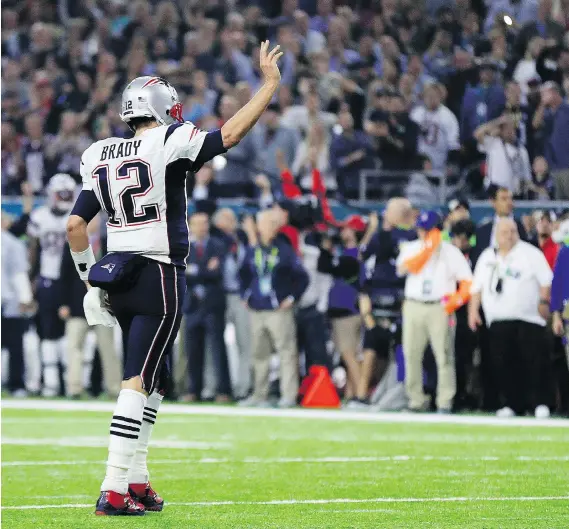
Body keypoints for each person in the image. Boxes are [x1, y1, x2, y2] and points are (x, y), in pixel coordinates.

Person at [66, 41, 285, 516]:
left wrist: (88, 282)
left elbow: (75, 225)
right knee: (139, 378)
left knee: (157, 379)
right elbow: (229, 135)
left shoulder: (98, 152)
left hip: (116, 275)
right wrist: (268, 85)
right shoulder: (171, 140)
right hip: (157, 274)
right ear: (165, 108)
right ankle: (114, 487)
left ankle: (138, 479)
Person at [469, 218, 553, 418]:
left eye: (513, 231)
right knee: (503, 364)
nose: (509, 235)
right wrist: (473, 311)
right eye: (505, 232)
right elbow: (476, 288)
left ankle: (539, 403)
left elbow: (546, 280)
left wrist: (543, 302)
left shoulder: (530, 253)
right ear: (497, 234)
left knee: (533, 363)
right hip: (498, 319)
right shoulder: (487, 256)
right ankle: (511, 403)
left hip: (528, 318)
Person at [396, 210, 473, 413]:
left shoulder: (451, 252)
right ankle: (416, 401)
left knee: (444, 355)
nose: (423, 233)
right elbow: (403, 269)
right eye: (421, 229)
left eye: (428, 230)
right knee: (411, 354)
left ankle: (445, 401)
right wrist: (427, 250)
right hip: (414, 305)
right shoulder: (411, 248)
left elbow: (467, 281)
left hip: (440, 306)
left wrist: (456, 300)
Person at [238, 210, 309, 408]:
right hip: (257, 309)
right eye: (265, 223)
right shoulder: (253, 250)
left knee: (286, 352)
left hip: (278, 310)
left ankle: (288, 395)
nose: (268, 227)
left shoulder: (285, 250)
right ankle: (259, 395)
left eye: (271, 223)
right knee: (259, 354)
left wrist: (292, 298)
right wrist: (245, 295)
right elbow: (242, 274)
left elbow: (302, 277)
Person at [28, 173, 77, 397]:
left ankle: (69, 382)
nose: (65, 197)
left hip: (70, 282)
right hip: (47, 279)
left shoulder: (77, 217)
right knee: (47, 332)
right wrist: (31, 280)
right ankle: (51, 382)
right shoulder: (40, 217)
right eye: (62, 193)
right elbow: (33, 250)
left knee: (69, 333)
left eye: (68, 193)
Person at [59, 238, 121, 399]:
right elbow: (64, 275)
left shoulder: (110, 245)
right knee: (74, 348)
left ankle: (114, 389)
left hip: (103, 307)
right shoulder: (72, 244)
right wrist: (64, 303)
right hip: (77, 306)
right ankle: (74, 388)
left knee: (108, 349)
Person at [183, 212, 231, 403]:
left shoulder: (218, 245)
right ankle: (194, 390)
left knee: (218, 349)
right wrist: (204, 270)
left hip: (213, 305)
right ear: (190, 226)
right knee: (192, 350)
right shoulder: (184, 247)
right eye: (197, 224)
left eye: (204, 223)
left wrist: (194, 270)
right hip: (192, 305)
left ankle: (223, 391)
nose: (202, 227)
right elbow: (182, 273)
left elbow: (217, 273)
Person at [212, 208, 252, 400]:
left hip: (241, 296)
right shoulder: (214, 240)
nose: (230, 222)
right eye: (225, 219)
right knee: (216, 345)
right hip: (220, 296)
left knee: (245, 344)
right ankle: (218, 388)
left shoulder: (243, 240)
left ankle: (244, 388)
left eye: (231, 218)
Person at [1, 214, 34, 397]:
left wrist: (24, 298)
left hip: (8, 302)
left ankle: (16, 384)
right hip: (8, 300)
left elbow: (19, 273)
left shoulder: (12, 243)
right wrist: (25, 298)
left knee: (15, 346)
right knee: (15, 346)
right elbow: (19, 274)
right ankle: (16, 385)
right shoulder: (13, 243)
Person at [474, 115, 532, 195]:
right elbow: (477, 133)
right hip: (492, 190)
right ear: (501, 131)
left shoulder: (521, 150)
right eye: (506, 129)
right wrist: (498, 121)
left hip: (510, 192)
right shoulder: (493, 143)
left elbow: (527, 175)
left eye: (511, 128)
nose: (509, 131)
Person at [410, 83, 460, 174]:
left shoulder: (448, 116)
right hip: (418, 162)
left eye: (434, 96)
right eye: (428, 95)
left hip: (440, 164)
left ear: (441, 97)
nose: (431, 99)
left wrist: (451, 164)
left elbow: (453, 144)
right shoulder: (416, 114)